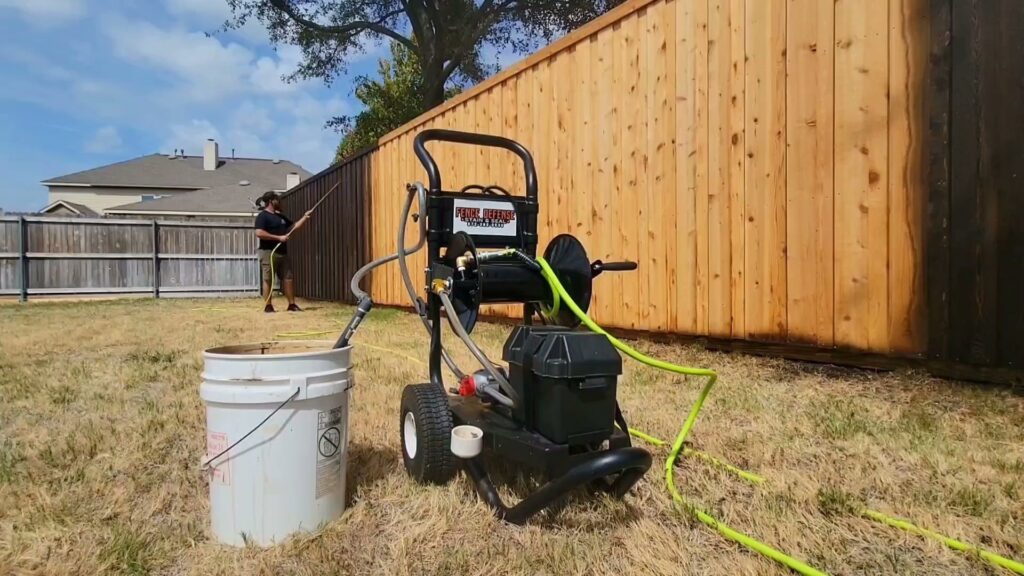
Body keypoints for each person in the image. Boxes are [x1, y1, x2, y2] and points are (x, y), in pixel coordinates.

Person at [254, 191, 311, 313]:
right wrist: (278, 238)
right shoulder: (263, 216)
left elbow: (293, 227)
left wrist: (304, 217)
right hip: (268, 252)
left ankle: (292, 305)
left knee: (288, 278)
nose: (279, 202)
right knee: (268, 278)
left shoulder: (281, 216)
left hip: (283, 253)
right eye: (277, 199)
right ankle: (268, 306)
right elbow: (259, 233)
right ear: (270, 201)